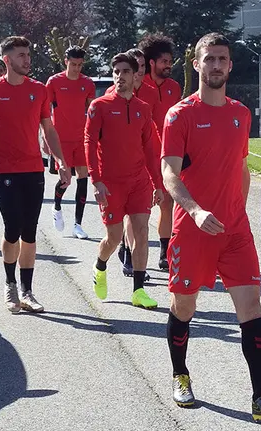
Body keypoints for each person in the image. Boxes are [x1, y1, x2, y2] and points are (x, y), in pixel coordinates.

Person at [161, 33, 261, 421]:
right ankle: (180, 374)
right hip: (193, 228)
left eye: (222, 59)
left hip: (235, 232)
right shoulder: (180, 114)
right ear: (197, 64)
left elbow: (241, 167)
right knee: (184, 305)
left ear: (230, 66)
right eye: (209, 59)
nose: (216, 65)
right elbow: (169, 172)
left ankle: (260, 396)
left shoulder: (241, 113)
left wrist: (240, 213)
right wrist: (197, 211)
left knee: (251, 307)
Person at [0, 36, 71, 313]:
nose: (27, 59)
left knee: (29, 231)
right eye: (20, 55)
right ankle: (10, 284)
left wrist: (60, 161)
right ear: (7, 60)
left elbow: (48, 129)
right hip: (5, 170)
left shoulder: (39, 90)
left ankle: (27, 291)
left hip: (33, 169)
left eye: (28, 54)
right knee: (12, 229)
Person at [85, 52, 164, 310]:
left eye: (125, 72)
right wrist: (96, 180)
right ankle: (100, 266)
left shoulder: (143, 109)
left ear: (135, 75)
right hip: (111, 183)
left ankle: (138, 290)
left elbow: (151, 150)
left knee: (141, 232)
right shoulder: (99, 106)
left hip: (138, 182)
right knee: (114, 237)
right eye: (116, 72)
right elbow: (89, 143)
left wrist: (158, 184)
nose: (120, 76)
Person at [106, 48, 161, 279]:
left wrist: (158, 171)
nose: (135, 73)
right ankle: (124, 250)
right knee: (122, 224)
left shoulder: (150, 94)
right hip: (116, 175)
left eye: (139, 67)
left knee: (140, 221)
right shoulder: (111, 96)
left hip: (141, 168)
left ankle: (133, 265)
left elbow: (151, 131)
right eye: (130, 68)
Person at [138, 33, 182, 271]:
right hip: (140, 156)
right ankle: (130, 249)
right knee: (139, 209)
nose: (169, 65)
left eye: (170, 61)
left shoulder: (175, 87)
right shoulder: (138, 84)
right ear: (152, 62)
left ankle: (164, 253)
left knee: (167, 204)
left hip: (167, 157)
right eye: (164, 61)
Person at [46, 46, 96, 240]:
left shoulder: (88, 83)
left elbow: (92, 111)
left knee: (83, 177)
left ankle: (78, 224)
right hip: (61, 139)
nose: (77, 68)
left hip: (81, 138)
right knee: (66, 179)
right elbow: (44, 112)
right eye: (73, 64)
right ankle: (57, 206)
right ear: (66, 61)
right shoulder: (54, 82)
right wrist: (44, 136)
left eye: (80, 65)